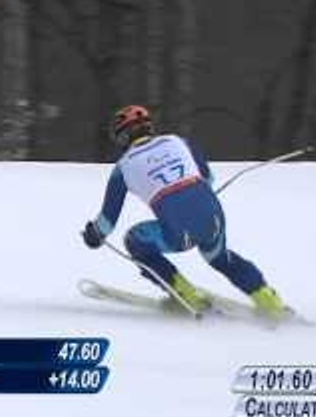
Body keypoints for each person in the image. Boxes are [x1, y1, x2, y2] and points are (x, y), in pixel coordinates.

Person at [81, 105, 285, 316]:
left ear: (123, 137)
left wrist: (93, 236)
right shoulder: (177, 141)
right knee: (220, 258)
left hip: (178, 230)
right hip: (213, 215)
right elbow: (207, 177)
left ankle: (185, 294)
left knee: (135, 239)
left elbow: (106, 222)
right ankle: (268, 300)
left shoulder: (122, 168)